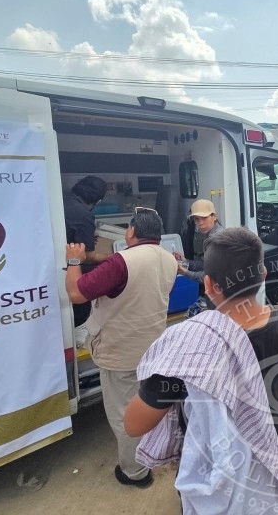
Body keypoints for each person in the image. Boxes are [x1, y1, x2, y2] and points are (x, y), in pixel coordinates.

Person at [124, 228, 278, 514]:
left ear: (209, 284)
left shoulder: (188, 348)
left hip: (211, 478)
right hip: (272, 462)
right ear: (263, 274)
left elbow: (134, 424)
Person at [65, 207, 177, 488]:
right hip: (152, 348)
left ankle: (135, 472)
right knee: (147, 404)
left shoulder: (121, 262)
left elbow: (76, 293)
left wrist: (74, 260)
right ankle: (155, 451)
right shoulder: (169, 259)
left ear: (131, 231)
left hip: (120, 353)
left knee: (125, 416)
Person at [63, 175, 110, 326]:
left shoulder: (62, 201)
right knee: (79, 317)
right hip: (70, 272)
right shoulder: (83, 214)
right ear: (98, 201)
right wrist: (111, 256)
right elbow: (87, 256)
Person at [175, 198, 224, 315]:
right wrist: (186, 261)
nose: (200, 223)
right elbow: (205, 265)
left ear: (214, 217)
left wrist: (184, 272)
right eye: (196, 219)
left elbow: (209, 277)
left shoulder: (217, 239)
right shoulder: (210, 235)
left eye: (204, 218)